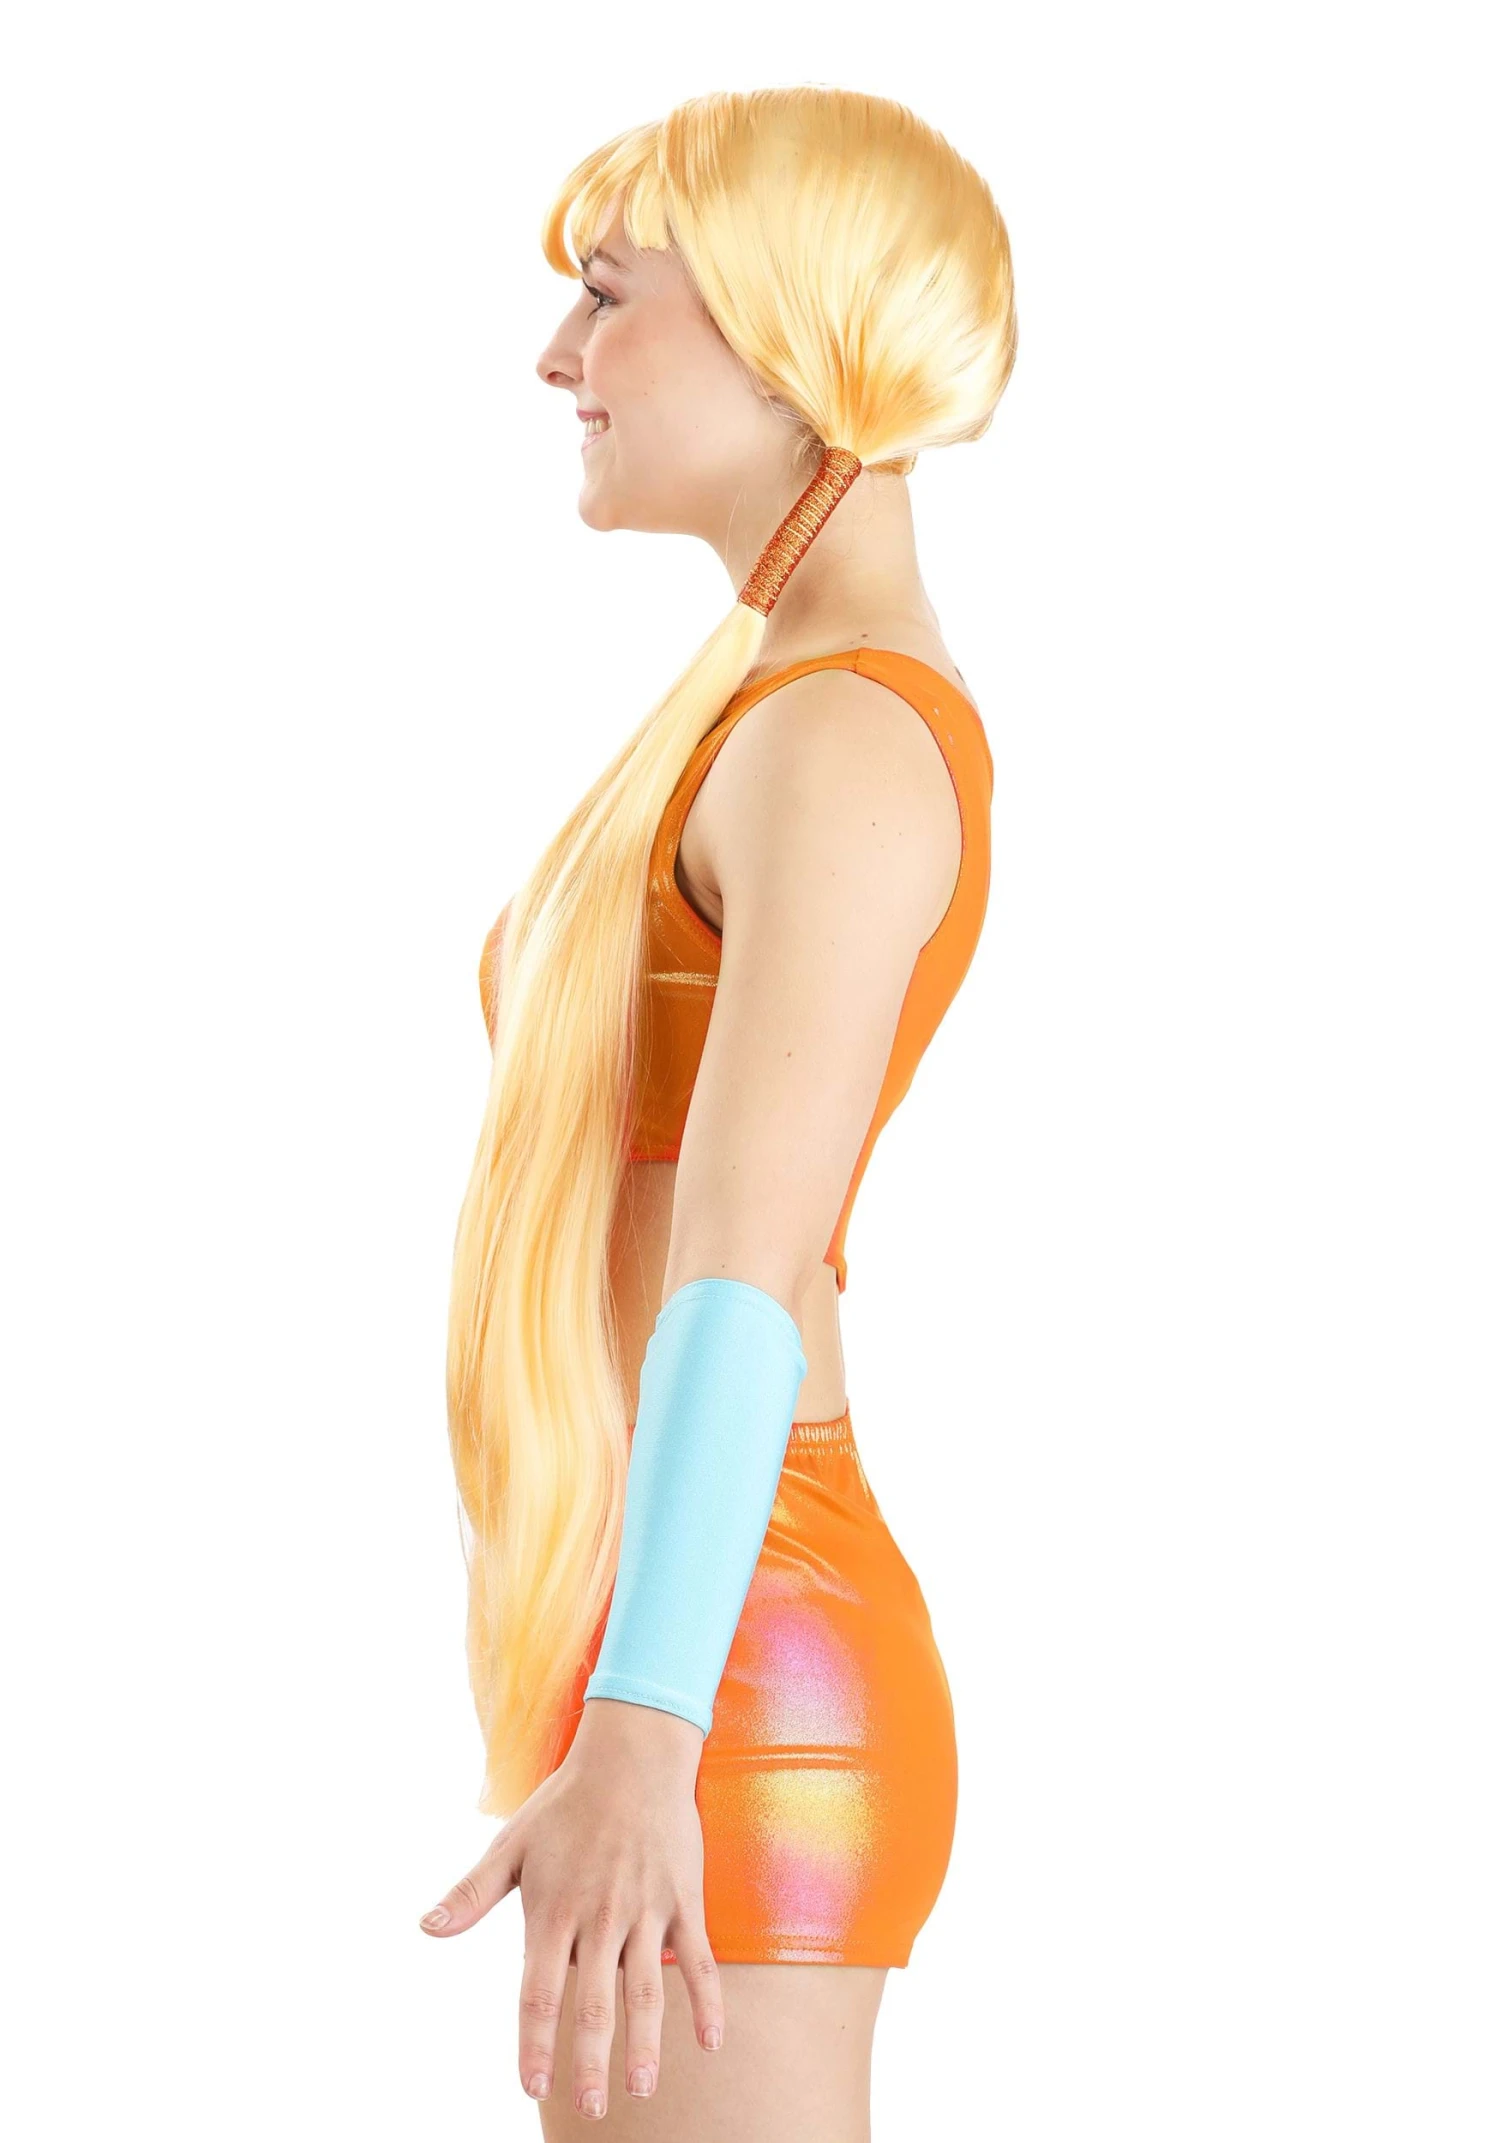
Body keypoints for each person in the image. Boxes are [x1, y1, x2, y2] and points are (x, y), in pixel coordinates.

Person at [420, 86, 1017, 2136]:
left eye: (607, 294)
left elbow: (740, 1277)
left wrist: (653, 1723)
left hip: (732, 1660)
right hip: (671, 1638)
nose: (557, 354)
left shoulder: (844, 735)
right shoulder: (764, 704)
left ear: (787, 335)